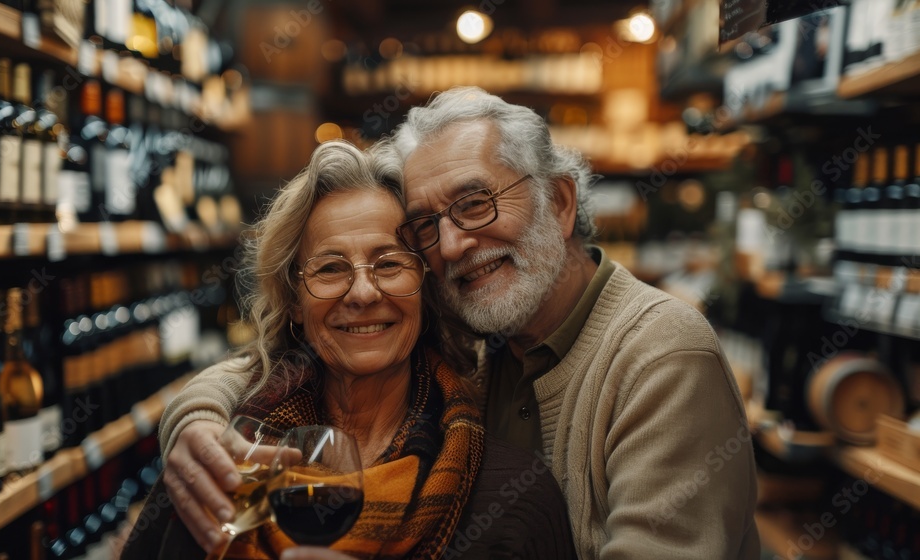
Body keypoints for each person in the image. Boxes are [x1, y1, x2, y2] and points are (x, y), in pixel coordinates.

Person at [160, 87, 760, 558]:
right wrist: (196, 421)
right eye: (426, 223)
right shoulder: (481, 326)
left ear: (559, 201)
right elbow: (293, 351)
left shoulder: (661, 355)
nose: (451, 244)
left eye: (476, 203)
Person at [120, 139, 575, 559]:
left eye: (390, 263)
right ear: (294, 302)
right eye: (331, 268)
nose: (362, 293)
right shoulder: (214, 462)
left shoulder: (514, 498)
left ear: (425, 287)